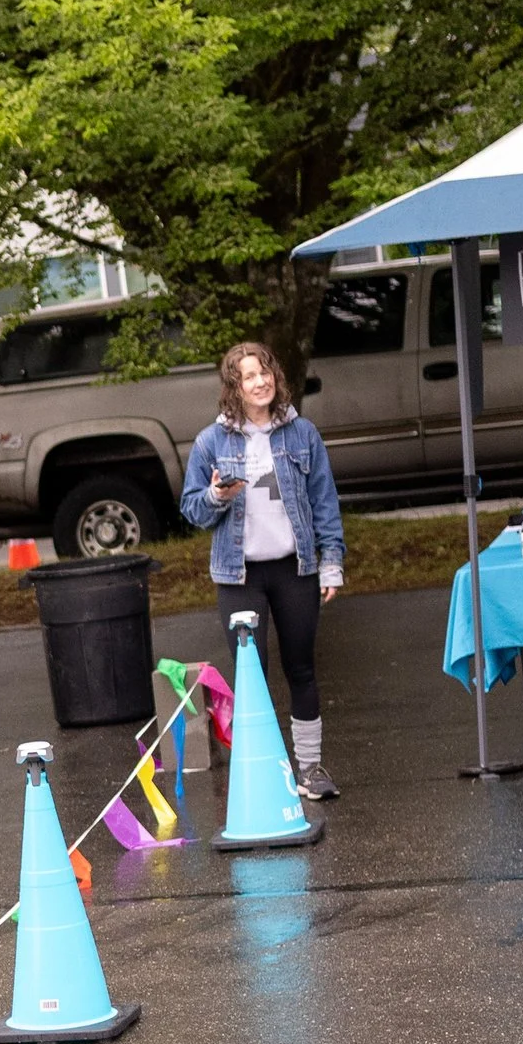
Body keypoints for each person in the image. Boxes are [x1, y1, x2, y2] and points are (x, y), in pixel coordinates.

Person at [179, 340, 345, 799]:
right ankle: (269, 775)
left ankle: (310, 770)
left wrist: (331, 565)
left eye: (265, 372)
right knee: (251, 676)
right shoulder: (211, 442)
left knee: (301, 670)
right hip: (239, 577)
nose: (260, 381)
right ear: (233, 386)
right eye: (248, 376)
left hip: (296, 571)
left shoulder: (302, 433)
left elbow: (324, 502)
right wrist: (216, 497)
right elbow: (192, 509)